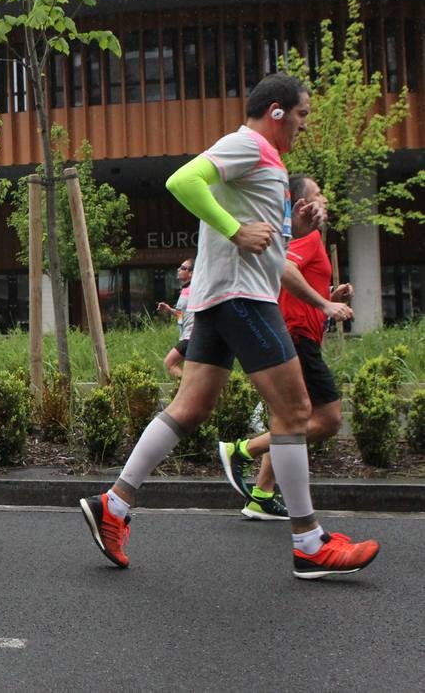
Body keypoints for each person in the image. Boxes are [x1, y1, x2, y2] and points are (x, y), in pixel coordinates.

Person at [79, 72, 379, 580]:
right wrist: (236, 230)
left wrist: (297, 229)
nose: (303, 126)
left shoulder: (267, 161)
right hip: (242, 298)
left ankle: (115, 503)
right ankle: (309, 543)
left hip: (222, 297)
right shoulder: (248, 143)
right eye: (302, 115)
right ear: (278, 110)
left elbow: (270, 247)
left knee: (191, 405)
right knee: (296, 409)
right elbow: (183, 181)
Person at [218, 174, 354, 520]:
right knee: (327, 419)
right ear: (300, 204)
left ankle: (261, 496)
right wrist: (325, 305)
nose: (324, 199)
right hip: (297, 338)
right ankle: (242, 450)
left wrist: (328, 297)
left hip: (300, 335)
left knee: (287, 418)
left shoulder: (312, 239)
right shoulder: (307, 238)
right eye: (318, 194)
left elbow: (296, 284)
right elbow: (284, 268)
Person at [156, 258, 194, 380]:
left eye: (183, 268)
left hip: (191, 336)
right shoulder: (185, 290)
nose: (178, 269)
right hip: (186, 336)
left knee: (169, 363)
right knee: (192, 371)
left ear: (191, 273)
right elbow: (182, 314)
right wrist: (169, 309)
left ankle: (187, 390)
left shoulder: (195, 289)